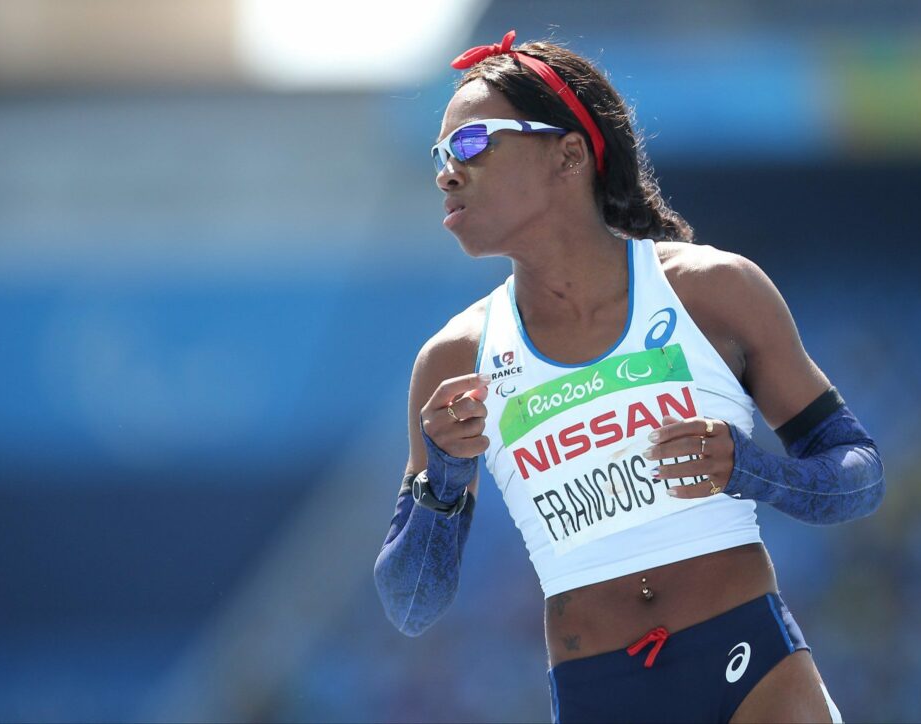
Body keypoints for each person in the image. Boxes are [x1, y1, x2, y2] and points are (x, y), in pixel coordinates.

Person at [373, 30, 884, 723]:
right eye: (441, 154)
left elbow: (860, 477)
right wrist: (443, 481)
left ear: (569, 153)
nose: (446, 171)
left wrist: (752, 471)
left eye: (470, 144)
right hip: (601, 695)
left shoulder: (714, 290)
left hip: (754, 670)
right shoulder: (453, 359)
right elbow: (410, 604)